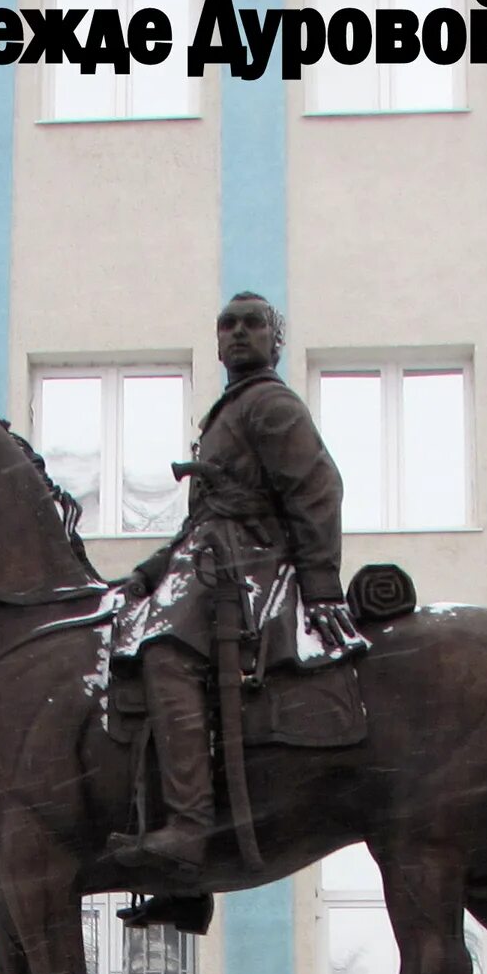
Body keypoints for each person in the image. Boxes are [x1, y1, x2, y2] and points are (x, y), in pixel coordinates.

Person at [105, 292, 366, 873]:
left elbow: (317, 489)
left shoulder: (269, 404)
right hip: (216, 554)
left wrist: (321, 584)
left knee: (166, 651)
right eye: (229, 325)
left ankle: (190, 826)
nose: (239, 333)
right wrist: (152, 570)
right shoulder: (228, 412)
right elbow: (202, 519)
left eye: (254, 325)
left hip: (251, 563)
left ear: (277, 341)